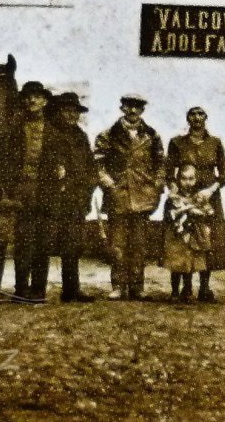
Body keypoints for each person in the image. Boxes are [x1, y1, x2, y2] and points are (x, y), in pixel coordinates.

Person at [94, 93, 164, 300]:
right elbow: (98, 163)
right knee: (117, 244)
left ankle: (137, 286)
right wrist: (108, 182)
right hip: (118, 195)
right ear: (122, 108)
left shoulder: (151, 135)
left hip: (142, 197)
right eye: (129, 106)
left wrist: (156, 187)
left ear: (142, 110)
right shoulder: (109, 134)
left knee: (139, 244)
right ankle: (118, 285)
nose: (133, 110)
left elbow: (161, 164)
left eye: (137, 107)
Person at [36, 91, 96, 303]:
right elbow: (40, 166)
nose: (71, 115)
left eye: (75, 111)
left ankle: (71, 290)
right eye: (66, 110)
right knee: (44, 244)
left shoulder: (81, 137)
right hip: (51, 200)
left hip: (75, 200)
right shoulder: (47, 133)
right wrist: (54, 175)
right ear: (58, 111)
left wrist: (86, 191)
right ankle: (37, 291)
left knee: (72, 246)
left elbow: (91, 168)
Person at [166, 106, 225, 303]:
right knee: (183, 242)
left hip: (208, 198)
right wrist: (176, 195)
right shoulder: (177, 142)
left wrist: (210, 191)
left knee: (206, 241)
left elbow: (224, 174)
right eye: (193, 114)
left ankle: (205, 288)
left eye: (201, 114)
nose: (197, 118)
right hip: (184, 196)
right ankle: (186, 288)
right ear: (188, 119)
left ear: (206, 118)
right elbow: (169, 173)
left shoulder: (215, 143)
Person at [9, 80, 52, 300]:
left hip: (46, 191)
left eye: (37, 96)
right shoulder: (15, 127)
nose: (32, 100)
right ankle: (20, 289)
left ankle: (38, 289)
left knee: (43, 241)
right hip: (22, 189)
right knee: (23, 240)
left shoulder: (53, 130)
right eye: (28, 97)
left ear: (45, 101)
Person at [164, 163, 216, 304]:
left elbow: (209, 212)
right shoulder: (173, 197)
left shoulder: (199, 197)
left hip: (193, 234)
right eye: (184, 178)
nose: (187, 182)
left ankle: (187, 290)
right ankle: (174, 292)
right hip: (177, 235)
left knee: (189, 264)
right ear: (178, 179)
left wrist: (201, 213)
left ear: (196, 179)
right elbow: (167, 216)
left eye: (191, 179)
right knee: (176, 265)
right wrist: (176, 216)